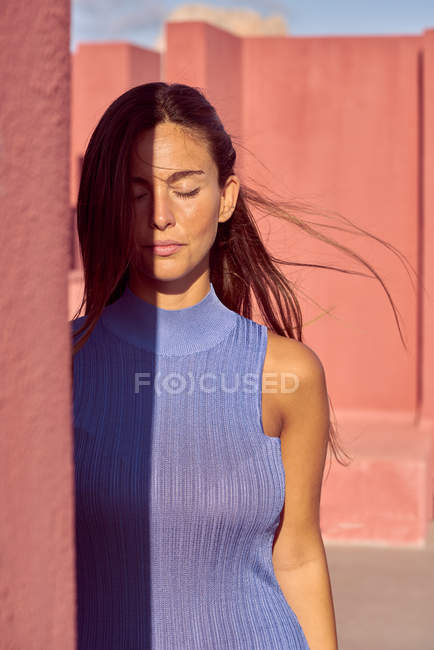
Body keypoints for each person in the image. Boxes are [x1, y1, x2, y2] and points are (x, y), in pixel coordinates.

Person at [71, 82, 410, 650]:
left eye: (185, 190)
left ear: (226, 198)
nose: (161, 216)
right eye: (136, 193)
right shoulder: (62, 368)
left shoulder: (288, 374)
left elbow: (298, 555)